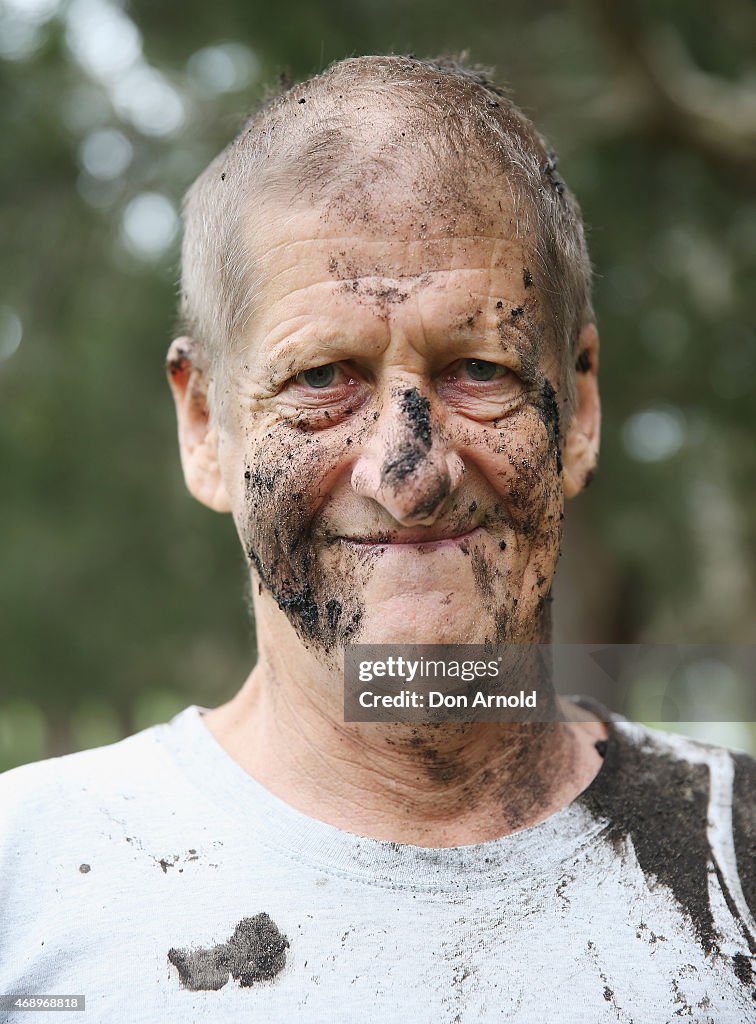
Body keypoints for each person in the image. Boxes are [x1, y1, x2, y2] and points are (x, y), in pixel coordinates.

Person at [0, 55, 753, 1023]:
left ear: (583, 400)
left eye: (478, 368)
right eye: (322, 379)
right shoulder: (29, 881)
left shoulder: (740, 856)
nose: (408, 473)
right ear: (204, 427)